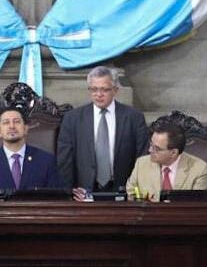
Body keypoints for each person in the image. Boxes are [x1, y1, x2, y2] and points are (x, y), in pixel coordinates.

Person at [58, 66, 150, 198]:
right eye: (94, 89)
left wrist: (136, 191)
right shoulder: (73, 118)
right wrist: (68, 193)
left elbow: (142, 157)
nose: (99, 94)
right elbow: (65, 160)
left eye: (104, 89)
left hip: (124, 190)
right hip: (83, 193)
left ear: (115, 90)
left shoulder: (133, 117)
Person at [0, 107, 63, 195]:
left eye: (17, 121)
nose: (12, 126)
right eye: (6, 122)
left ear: (25, 128)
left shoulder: (46, 160)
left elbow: (54, 199)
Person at [124, 123, 207, 201]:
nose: (150, 150)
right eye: (151, 145)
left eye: (156, 148)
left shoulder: (199, 169)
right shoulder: (141, 163)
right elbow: (130, 195)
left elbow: (197, 205)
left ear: (173, 152)